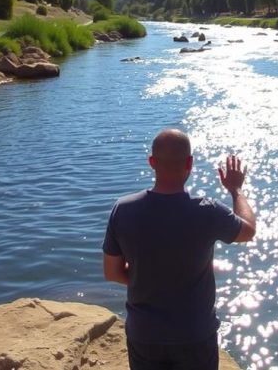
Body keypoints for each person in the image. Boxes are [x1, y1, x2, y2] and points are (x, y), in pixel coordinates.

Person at [103, 129, 257, 370]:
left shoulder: (123, 210)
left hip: (145, 334)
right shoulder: (208, 210)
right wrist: (236, 190)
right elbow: (248, 231)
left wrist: (148, 281)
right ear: (190, 164)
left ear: (152, 162)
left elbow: (112, 273)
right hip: (195, 334)